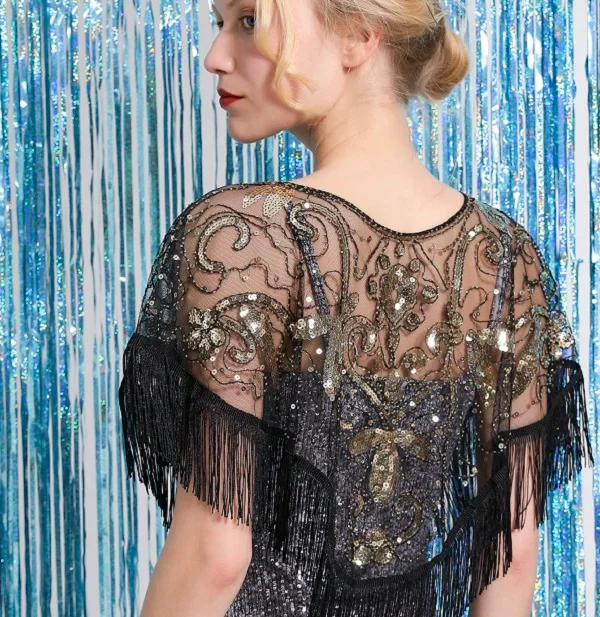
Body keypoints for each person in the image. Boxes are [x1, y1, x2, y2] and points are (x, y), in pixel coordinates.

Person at [118, 0, 594, 615]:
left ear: (357, 36)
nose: (215, 57)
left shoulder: (245, 236)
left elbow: (215, 554)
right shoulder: (503, 258)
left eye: (248, 20)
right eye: (221, 24)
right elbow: (512, 561)